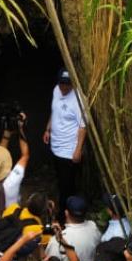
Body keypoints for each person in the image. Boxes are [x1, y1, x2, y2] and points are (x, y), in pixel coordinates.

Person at [42, 70, 87, 211]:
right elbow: (54, 111)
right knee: (61, 180)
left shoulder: (78, 100)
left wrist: (78, 150)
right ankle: (66, 209)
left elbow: (83, 125)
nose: (64, 87)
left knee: (67, 187)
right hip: (56, 146)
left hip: (69, 151)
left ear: (72, 84)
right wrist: (48, 129)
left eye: (68, 84)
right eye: (62, 83)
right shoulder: (56, 90)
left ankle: (65, 215)